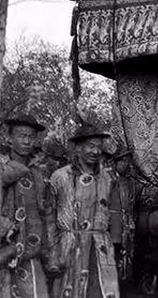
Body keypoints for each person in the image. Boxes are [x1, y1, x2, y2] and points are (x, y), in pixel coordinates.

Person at [47, 124, 120, 298]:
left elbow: (115, 212)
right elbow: (49, 216)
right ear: (78, 147)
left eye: (99, 147)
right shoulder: (60, 177)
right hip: (69, 245)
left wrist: (117, 243)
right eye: (91, 146)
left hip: (100, 247)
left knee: (101, 291)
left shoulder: (108, 178)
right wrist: (52, 251)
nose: (96, 151)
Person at [0, 114, 55, 298]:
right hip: (4, 252)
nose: (26, 141)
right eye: (21, 135)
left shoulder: (40, 174)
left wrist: (51, 252)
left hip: (31, 255)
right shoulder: (2, 168)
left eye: (31, 136)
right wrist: (7, 228)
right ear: (9, 137)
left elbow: (48, 213)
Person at [108, 145, 139, 294]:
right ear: (115, 162)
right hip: (111, 227)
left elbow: (133, 203)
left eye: (127, 161)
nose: (125, 164)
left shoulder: (130, 182)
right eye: (122, 161)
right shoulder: (107, 179)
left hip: (125, 227)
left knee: (124, 260)